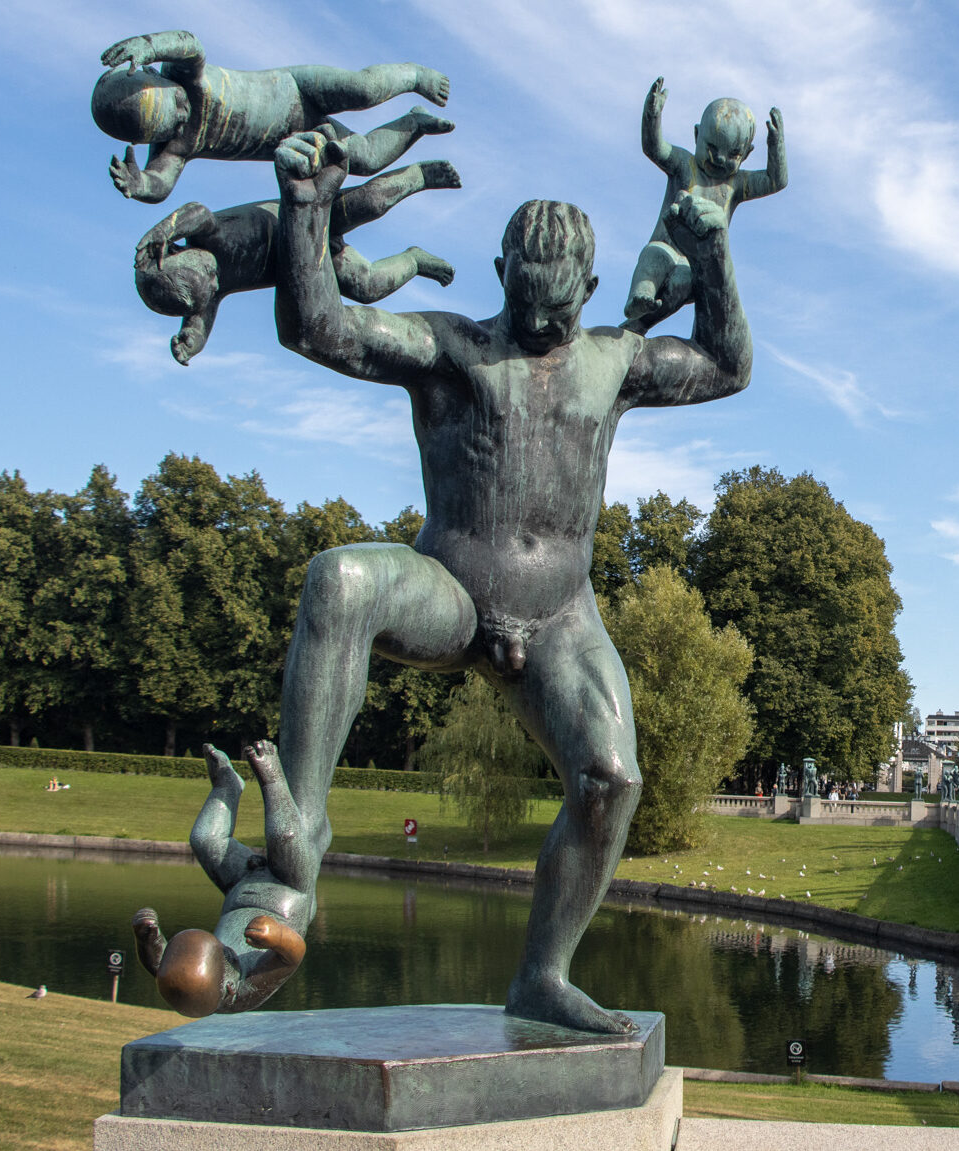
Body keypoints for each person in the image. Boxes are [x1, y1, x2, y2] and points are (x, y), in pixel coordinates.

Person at [257, 128, 752, 1034]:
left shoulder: (612, 361)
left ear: (591, 295)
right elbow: (317, 325)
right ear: (500, 270)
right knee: (339, 580)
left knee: (611, 778)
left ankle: (541, 977)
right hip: (450, 588)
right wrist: (305, 209)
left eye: (556, 312)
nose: (538, 324)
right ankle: (297, 848)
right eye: (524, 301)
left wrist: (715, 251)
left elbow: (727, 365)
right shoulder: (452, 349)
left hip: (561, 614)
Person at [132, 161, 460, 364]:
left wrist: (163, 228)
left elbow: (197, 211)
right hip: (313, 259)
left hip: (308, 217)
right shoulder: (209, 290)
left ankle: (416, 175)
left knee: (369, 202)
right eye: (209, 288)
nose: (215, 280)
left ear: (174, 250)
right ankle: (414, 260)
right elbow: (199, 320)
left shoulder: (207, 234)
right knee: (368, 286)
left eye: (207, 274)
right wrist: (191, 343)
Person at [92, 30, 453, 204]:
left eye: (172, 103)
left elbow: (190, 43)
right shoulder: (173, 148)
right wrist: (141, 186)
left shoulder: (183, 73)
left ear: (155, 75)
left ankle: (414, 76)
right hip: (301, 134)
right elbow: (161, 184)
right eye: (166, 124)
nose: (182, 113)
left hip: (295, 88)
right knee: (366, 158)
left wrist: (151, 43)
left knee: (363, 90)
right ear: (146, 139)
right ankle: (414, 123)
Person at [133, 743, 311, 1016]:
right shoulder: (242, 991)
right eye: (224, 956)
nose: (225, 949)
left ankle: (227, 783)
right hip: (288, 889)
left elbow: (158, 965)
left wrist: (148, 938)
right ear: (228, 986)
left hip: (239, 886)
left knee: (204, 839)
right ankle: (273, 778)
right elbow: (293, 957)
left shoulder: (188, 980)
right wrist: (277, 937)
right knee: (284, 838)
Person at [623, 79, 786, 333]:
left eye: (733, 155)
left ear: (747, 154)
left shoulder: (735, 184)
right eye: (711, 148)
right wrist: (652, 116)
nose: (720, 159)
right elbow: (653, 147)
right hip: (665, 246)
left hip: (694, 263)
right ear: (697, 135)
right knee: (653, 256)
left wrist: (776, 147)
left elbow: (776, 181)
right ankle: (641, 296)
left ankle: (643, 321)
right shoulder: (683, 163)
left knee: (683, 280)